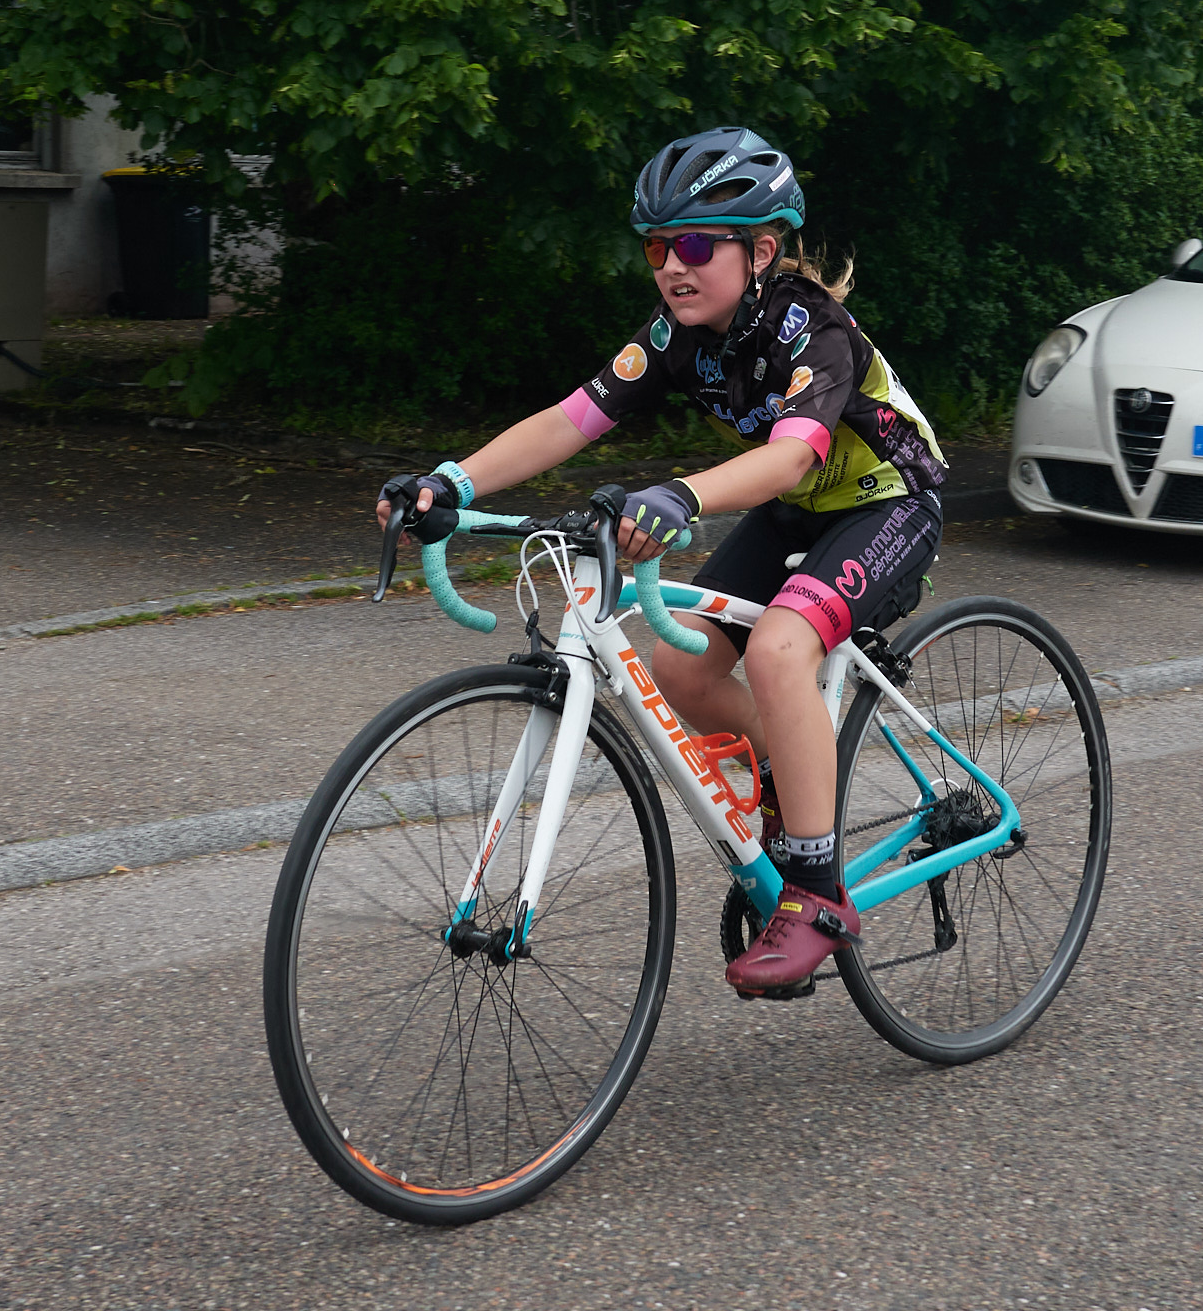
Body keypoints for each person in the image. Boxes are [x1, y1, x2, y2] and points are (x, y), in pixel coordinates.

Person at [378, 126, 946, 996]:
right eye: (657, 247)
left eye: (695, 246)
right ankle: (787, 773)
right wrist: (448, 481)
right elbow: (569, 419)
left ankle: (817, 896)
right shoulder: (677, 334)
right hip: (799, 509)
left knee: (779, 648)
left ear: (761, 252)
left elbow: (790, 456)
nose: (673, 266)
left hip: (889, 502)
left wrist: (679, 494)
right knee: (678, 666)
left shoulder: (812, 330)